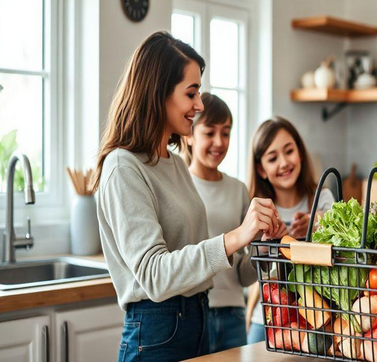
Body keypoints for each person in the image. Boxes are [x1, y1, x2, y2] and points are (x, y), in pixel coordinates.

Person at [92, 31, 286, 361]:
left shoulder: (174, 165)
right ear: (158, 92)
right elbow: (154, 275)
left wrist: (266, 244)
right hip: (156, 330)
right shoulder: (122, 166)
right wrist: (235, 236)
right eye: (191, 93)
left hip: (199, 319)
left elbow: (223, 267)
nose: (199, 105)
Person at [244, 116, 335, 344]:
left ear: (300, 153)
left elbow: (339, 250)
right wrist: (272, 242)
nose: (284, 163)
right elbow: (254, 268)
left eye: (289, 151)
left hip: (318, 318)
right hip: (268, 317)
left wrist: (318, 223)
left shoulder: (321, 198)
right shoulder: (257, 209)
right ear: (261, 169)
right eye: (272, 158)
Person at [181, 92, 256, 352]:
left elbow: (245, 275)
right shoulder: (179, 187)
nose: (219, 142)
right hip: (192, 315)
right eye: (209, 132)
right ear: (189, 134)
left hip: (234, 313)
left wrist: (268, 248)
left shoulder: (238, 190)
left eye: (225, 132)